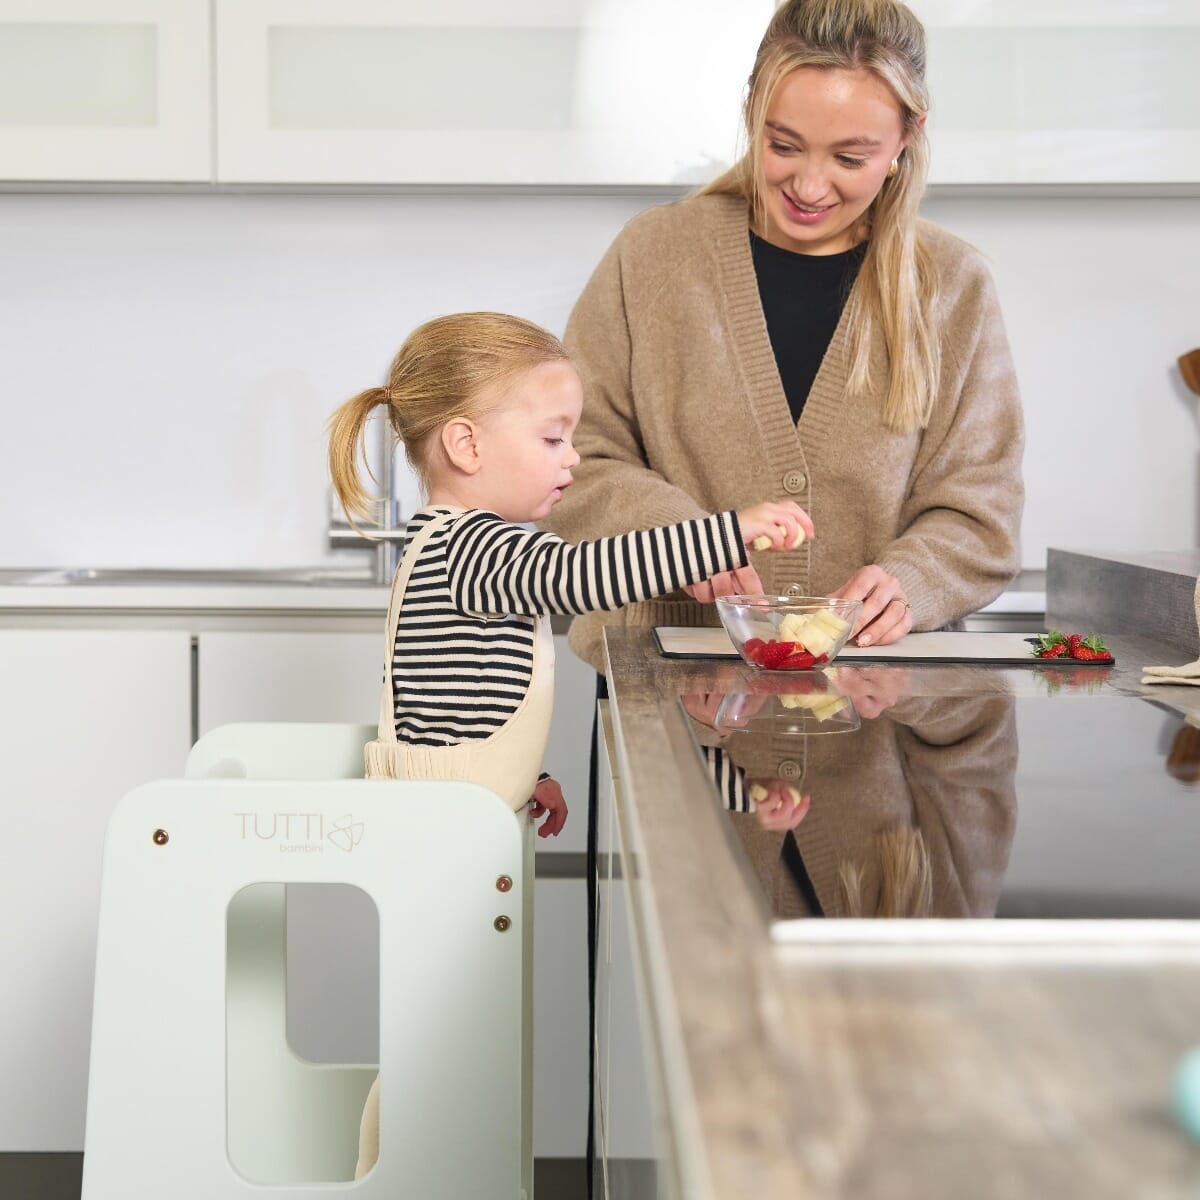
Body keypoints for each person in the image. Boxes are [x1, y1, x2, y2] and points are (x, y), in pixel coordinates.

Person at [540, 1, 1024, 1187]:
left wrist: (908, 579)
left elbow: (979, 511)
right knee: (708, 1088)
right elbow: (576, 465)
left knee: (882, 1094)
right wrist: (680, 539)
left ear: (907, 140)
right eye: (782, 142)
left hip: (889, 760)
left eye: (850, 156)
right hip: (696, 727)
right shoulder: (652, 261)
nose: (808, 182)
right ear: (751, 114)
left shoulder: (952, 288)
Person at [325, 310, 814, 1178]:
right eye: (552, 438)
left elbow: (458, 703)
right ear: (467, 444)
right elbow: (583, 576)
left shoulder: (463, 550)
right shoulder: (475, 548)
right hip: (440, 845)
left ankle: (425, 1175)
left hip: (458, 828)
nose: (573, 460)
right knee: (430, 1041)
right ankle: (391, 1179)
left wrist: (530, 777)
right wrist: (729, 530)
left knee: (446, 1034)